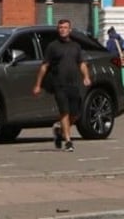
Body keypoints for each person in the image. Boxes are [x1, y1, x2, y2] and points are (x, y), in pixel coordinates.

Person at [33, 19, 91, 152]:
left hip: (74, 84)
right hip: (59, 84)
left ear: (70, 30)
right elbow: (44, 66)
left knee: (75, 114)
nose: (63, 30)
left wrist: (86, 77)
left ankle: (60, 131)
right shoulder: (53, 46)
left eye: (65, 27)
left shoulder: (76, 46)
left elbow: (82, 63)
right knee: (64, 112)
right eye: (60, 28)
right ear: (58, 30)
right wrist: (38, 85)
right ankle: (68, 142)